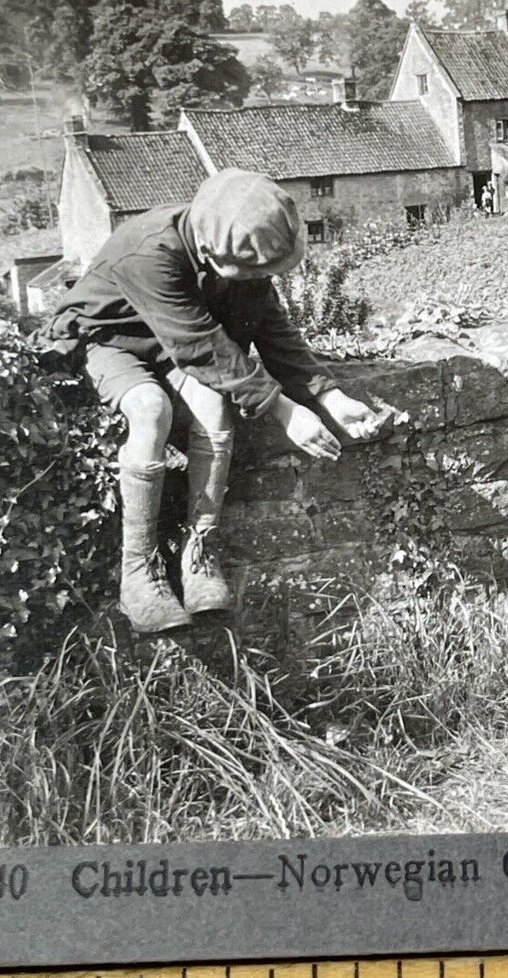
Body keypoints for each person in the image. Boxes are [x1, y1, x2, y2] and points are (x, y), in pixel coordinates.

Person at [44, 169, 383, 633]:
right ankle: (138, 570)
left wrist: (330, 395)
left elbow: (270, 327)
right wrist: (283, 410)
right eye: (254, 273)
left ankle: (198, 551)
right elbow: (202, 345)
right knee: (150, 409)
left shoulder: (231, 246)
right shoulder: (150, 253)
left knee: (213, 405)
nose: (261, 280)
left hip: (171, 344)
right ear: (209, 251)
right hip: (108, 340)